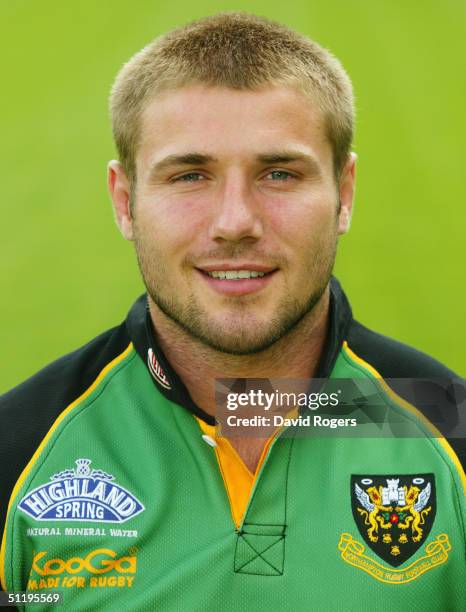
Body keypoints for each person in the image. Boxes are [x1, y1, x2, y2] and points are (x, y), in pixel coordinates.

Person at [0, 12, 464, 611]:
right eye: (190, 175)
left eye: (279, 173)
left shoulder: (446, 427)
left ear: (344, 194)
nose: (235, 223)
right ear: (125, 200)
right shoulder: (19, 452)